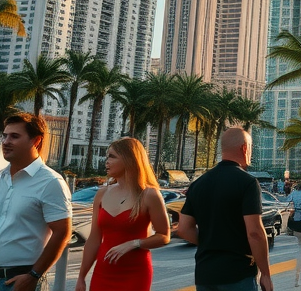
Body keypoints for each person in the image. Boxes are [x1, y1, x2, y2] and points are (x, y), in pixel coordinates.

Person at [177, 127, 273, 291]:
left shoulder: (198, 184)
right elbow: (255, 232)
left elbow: (184, 229)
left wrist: (211, 241)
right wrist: (265, 274)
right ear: (244, 148)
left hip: (205, 274)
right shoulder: (247, 182)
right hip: (237, 272)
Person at [75, 137, 170, 291]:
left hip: (135, 274)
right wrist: (81, 278)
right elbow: (94, 239)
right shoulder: (102, 194)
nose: (106, 161)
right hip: (103, 273)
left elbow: (164, 236)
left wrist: (134, 243)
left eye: (112, 156)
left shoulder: (149, 195)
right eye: (107, 157)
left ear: (129, 159)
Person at [0, 113, 72, 291]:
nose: (6, 141)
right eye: (4, 135)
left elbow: (62, 232)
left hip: (18, 280)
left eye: (14, 136)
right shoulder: (1, 177)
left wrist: (34, 276)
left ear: (36, 141)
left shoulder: (50, 182)